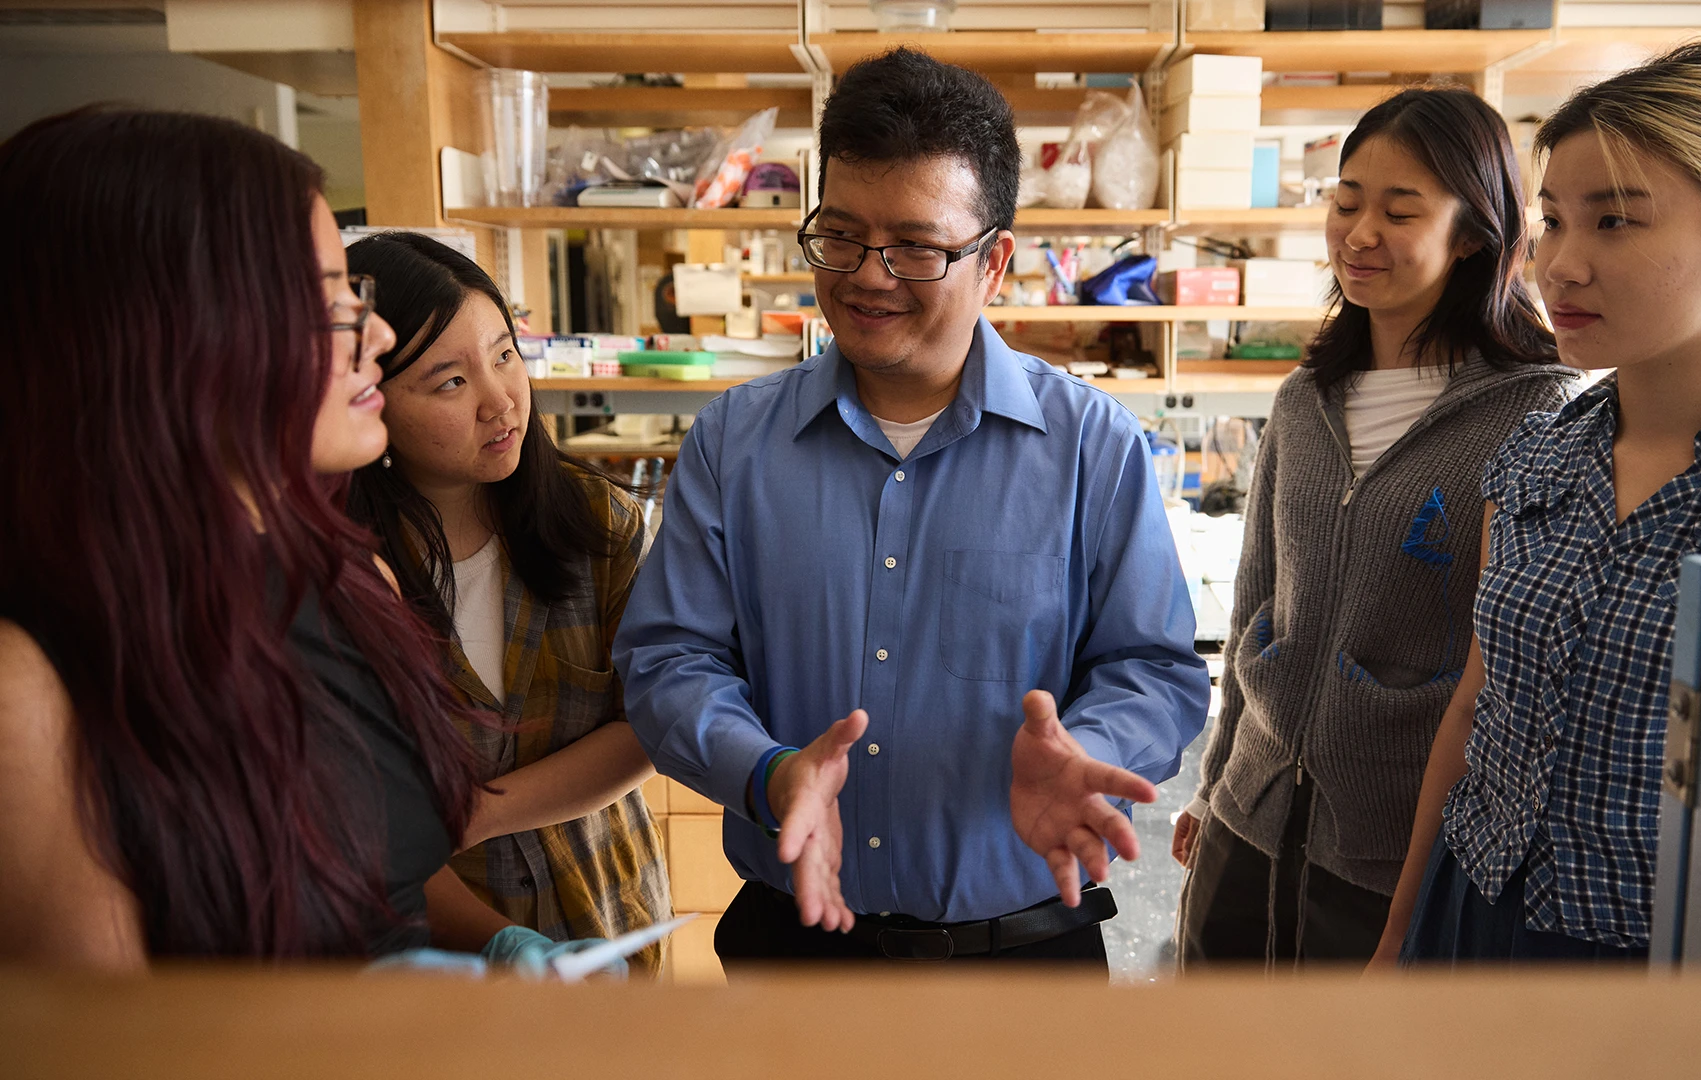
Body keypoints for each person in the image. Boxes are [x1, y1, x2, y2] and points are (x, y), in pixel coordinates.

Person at [614, 48, 1210, 966]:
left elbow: (1155, 668)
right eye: (842, 236)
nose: (868, 276)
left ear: (995, 261)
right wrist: (769, 773)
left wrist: (1086, 747)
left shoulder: (1092, 446)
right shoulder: (735, 442)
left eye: (917, 248)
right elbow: (668, 658)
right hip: (797, 948)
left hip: (1022, 962)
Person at [0, 108, 616, 976]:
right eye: (328, 302)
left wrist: (500, 954)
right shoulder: (30, 686)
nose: (377, 337)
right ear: (173, 333)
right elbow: (108, 1042)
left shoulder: (345, 575)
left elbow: (381, 877)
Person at [1371, 42, 1701, 966]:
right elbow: (1474, 707)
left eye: (1614, 223)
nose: (1559, 266)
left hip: (1666, 960)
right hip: (1472, 908)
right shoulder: (1539, 451)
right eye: (1553, 222)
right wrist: (1399, 933)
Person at [1173, 89, 1577, 969]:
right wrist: (1210, 792)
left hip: (1392, 855)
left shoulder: (1537, 415)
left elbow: (1507, 680)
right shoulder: (1303, 399)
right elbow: (1254, 610)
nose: (1359, 234)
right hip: (1250, 816)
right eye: (1347, 202)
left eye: (1401, 211)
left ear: (1474, 234)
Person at [345, 232, 672, 973]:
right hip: (445, 950)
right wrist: (492, 942)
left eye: (503, 354)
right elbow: (365, 818)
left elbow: (653, 723)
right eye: (449, 381)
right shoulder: (346, 576)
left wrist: (478, 810)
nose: (501, 400)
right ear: (371, 399)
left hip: (609, 912)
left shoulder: (600, 527)